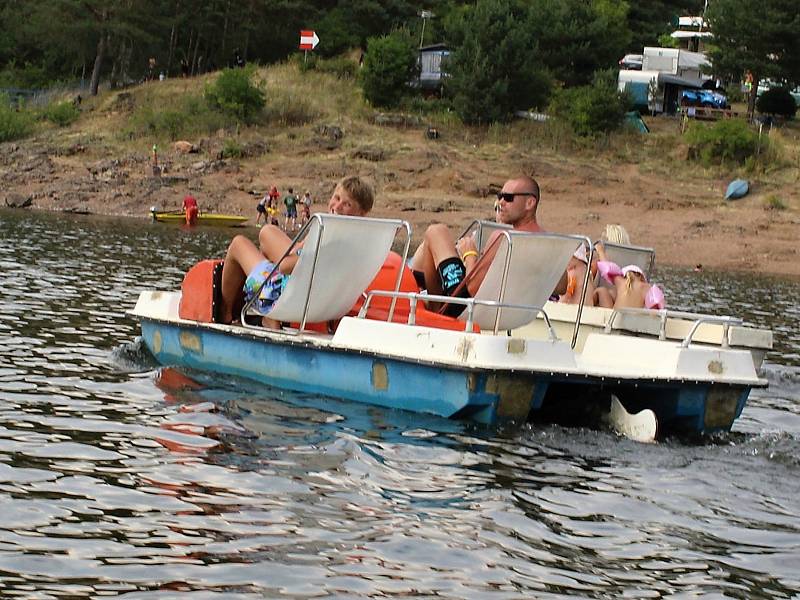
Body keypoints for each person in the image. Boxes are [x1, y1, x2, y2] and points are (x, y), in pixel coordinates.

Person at [218, 176, 375, 326]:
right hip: (325, 304)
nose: (337, 206)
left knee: (238, 243)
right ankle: (267, 317)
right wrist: (303, 244)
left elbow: (285, 267)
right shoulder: (361, 240)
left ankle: (226, 313)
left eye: (347, 204)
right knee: (268, 232)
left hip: (285, 296)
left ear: (361, 213)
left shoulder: (329, 239)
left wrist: (302, 247)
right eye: (337, 198)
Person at [409, 175, 544, 317]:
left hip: (468, 307)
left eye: (509, 198)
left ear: (530, 203)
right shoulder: (549, 242)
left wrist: (470, 255)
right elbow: (561, 287)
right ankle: (430, 303)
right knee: (427, 247)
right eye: (500, 196)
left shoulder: (503, 237)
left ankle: (435, 311)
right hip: (512, 313)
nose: (501, 202)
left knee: (435, 232)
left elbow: (472, 289)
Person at [593, 242, 664, 310]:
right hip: (632, 320)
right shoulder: (647, 287)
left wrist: (600, 251)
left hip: (614, 320)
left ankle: (587, 307)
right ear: (641, 276)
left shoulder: (621, 282)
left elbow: (607, 267)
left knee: (601, 290)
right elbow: (656, 304)